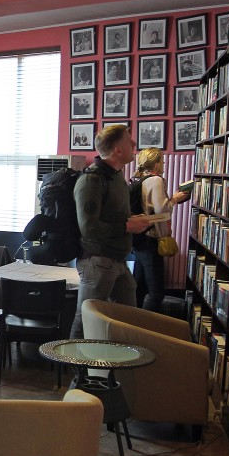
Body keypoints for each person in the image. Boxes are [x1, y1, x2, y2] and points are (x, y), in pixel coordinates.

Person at [69, 125, 153, 348]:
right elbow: (89, 228)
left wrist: (136, 220)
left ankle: (118, 369)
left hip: (117, 260)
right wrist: (127, 225)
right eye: (129, 141)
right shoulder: (91, 180)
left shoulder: (117, 178)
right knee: (87, 316)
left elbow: (115, 217)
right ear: (117, 150)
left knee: (127, 317)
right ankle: (76, 371)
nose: (134, 145)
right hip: (96, 261)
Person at [130, 148, 190, 312]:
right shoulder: (156, 180)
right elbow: (162, 210)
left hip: (140, 239)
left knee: (139, 288)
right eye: (162, 161)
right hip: (150, 240)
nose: (163, 164)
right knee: (156, 292)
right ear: (156, 163)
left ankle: (133, 323)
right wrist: (175, 199)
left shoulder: (141, 180)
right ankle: (146, 328)